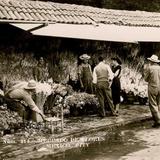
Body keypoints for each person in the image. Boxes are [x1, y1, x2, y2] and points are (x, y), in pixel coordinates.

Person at [143, 54, 160, 128]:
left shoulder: (149, 68)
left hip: (152, 87)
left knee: (153, 104)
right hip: (159, 87)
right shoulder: (159, 68)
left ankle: (158, 120)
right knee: (159, 103)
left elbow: (146, 79)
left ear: (152, 61)